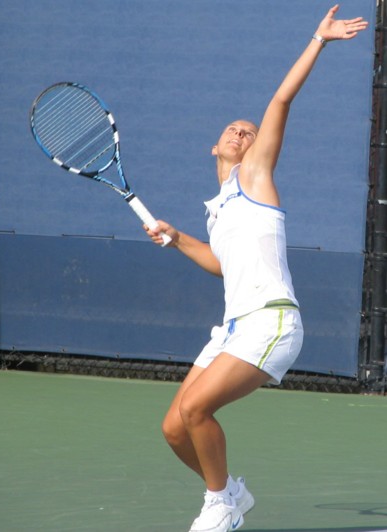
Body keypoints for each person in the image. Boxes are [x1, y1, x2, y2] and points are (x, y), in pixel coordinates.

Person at [144, 5, 368, 532]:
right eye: (234, 130)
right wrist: (178, 238)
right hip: (234, 327)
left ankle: (222, 504)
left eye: (249, 132)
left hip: (271, 322)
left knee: (197, 409)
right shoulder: (220, 207)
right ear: (215, 145)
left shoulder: (256, 176)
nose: (243, 134)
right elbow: (224, 266)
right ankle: (230, 493)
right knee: (175, 428)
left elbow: (280, 99)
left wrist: (319, 38)